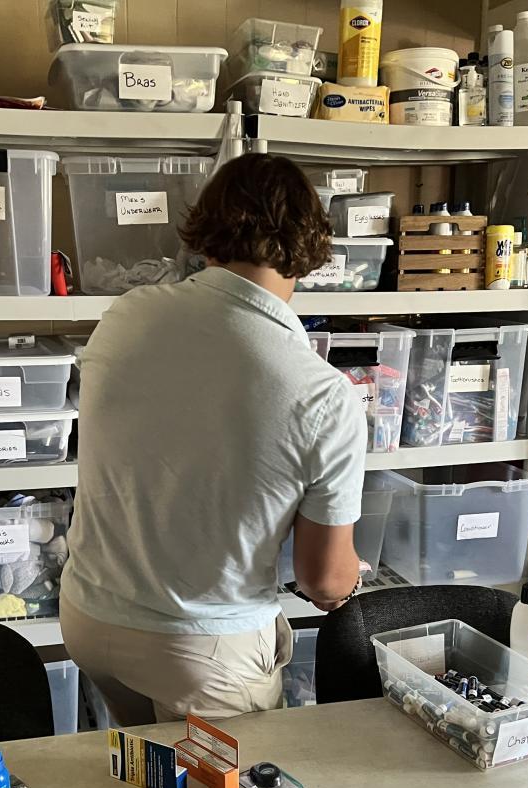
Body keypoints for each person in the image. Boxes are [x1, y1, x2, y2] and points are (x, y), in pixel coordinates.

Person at [60, 154, 368, 725]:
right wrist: (351, 579)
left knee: (143, 771)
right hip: (201, 650)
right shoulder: (321, 395)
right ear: (310, 244)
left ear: (205, 231)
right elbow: (323, 582)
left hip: (90, 616)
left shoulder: (128, 314)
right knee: (231, 787)